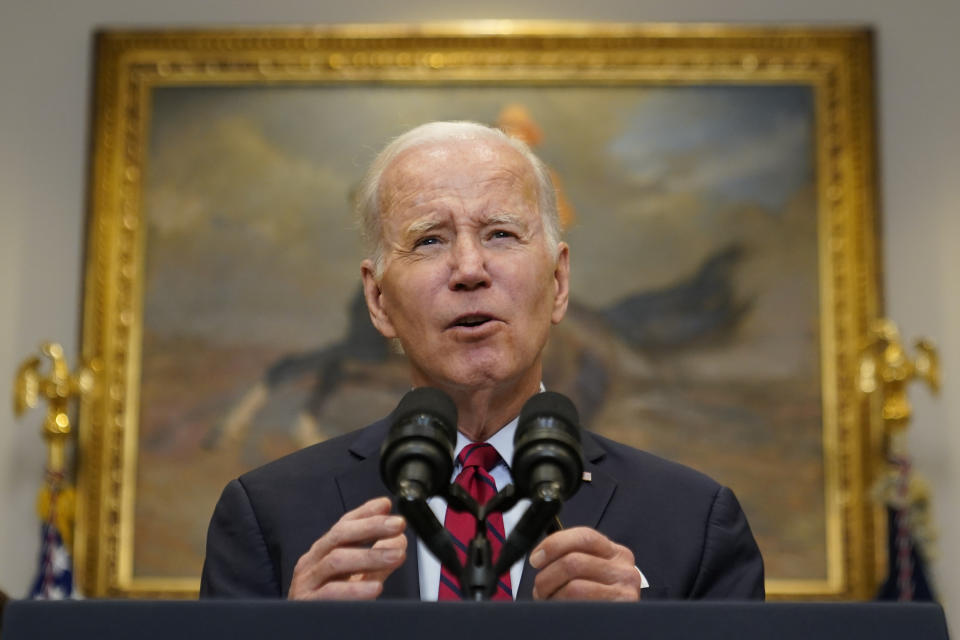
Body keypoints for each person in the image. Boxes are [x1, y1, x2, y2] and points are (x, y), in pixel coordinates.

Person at [200, 121, 764, 601]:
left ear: (559, 282)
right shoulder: (265, 515)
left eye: (500, 233)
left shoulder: (696, 521)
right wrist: (283, 638)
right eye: (428, 241)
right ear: (378, 301)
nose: (469, 268)